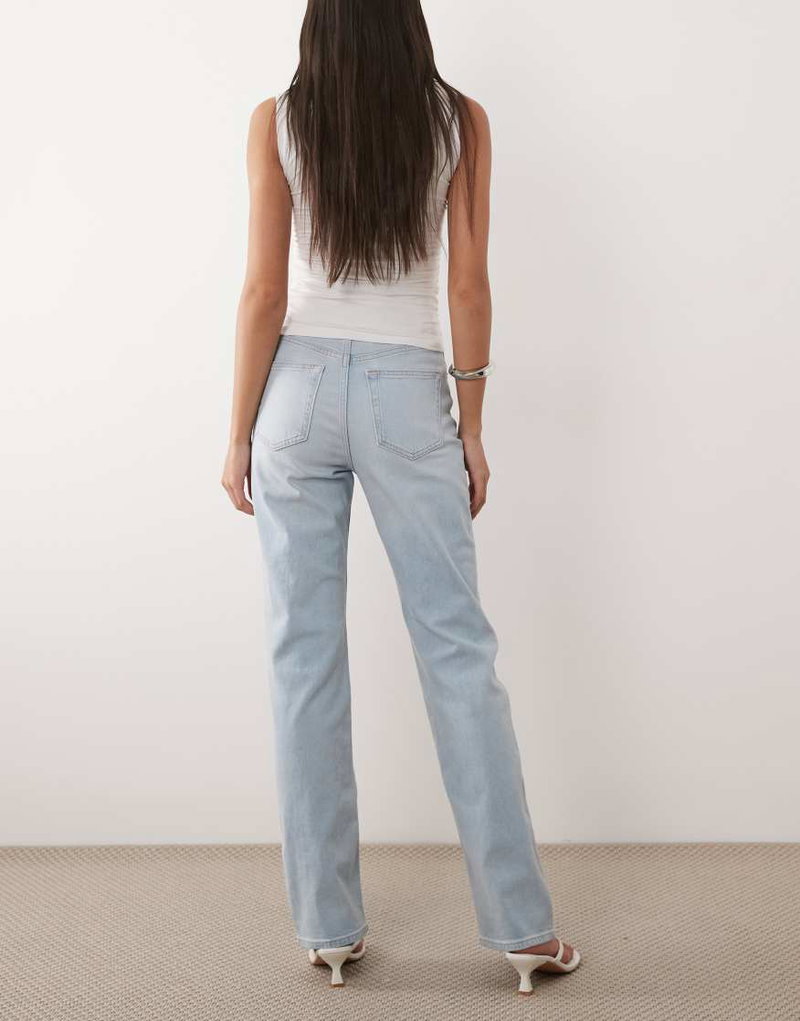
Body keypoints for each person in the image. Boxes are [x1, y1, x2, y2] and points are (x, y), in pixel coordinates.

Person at [221, 0, 582, 996]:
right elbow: (467, 286)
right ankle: (522, 928)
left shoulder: (278, 119)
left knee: (302, 656)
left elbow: (264, 293)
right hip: (407, 392)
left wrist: (239, 430)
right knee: (458, 651)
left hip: (295, 393)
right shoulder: (459, 120)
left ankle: (327, 928)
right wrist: (471, 424)